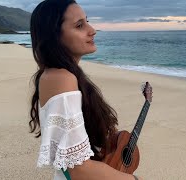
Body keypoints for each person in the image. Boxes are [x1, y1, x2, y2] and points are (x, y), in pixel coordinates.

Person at [28, 0, 141, 179]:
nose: (92, 30)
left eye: (87, 21)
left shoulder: (59, 74)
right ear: (54, 36)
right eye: (80, 25)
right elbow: (79, 169)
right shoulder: (62, 78)